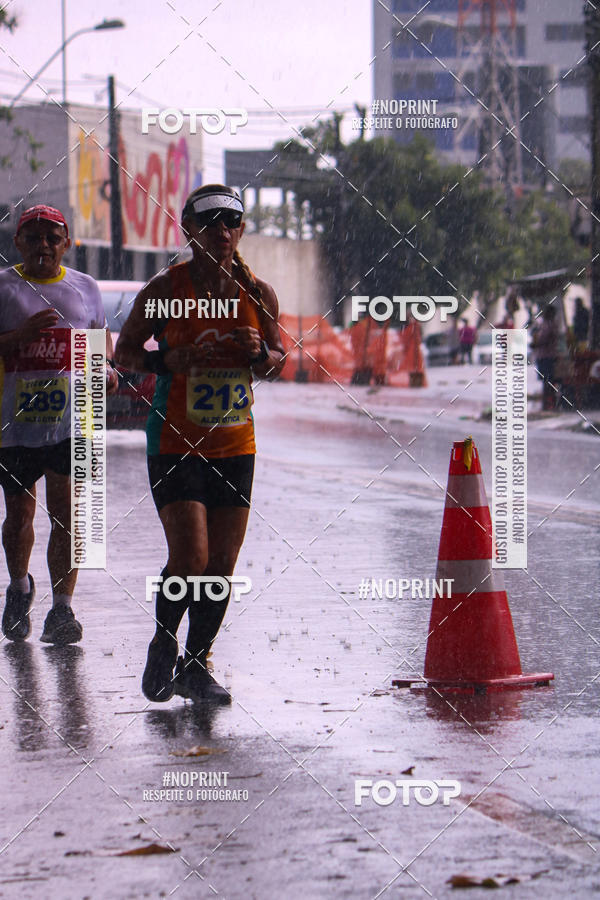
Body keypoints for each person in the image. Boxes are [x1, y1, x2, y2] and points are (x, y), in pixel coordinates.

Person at [114, 185, 285, 704]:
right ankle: (165, 641)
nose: (223, 231)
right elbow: (125, 353)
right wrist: (174, 360)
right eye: (210, 222)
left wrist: (262, 355)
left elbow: (279, 360)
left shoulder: (257, 293)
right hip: (175, 440)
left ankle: (195, 665)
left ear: (241, 230)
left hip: (236, 444)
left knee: (222, 567)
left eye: (232, 221)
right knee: (190, 556)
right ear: (189, 229)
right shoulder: (167, 289)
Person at [0, 205, 118, 644]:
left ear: (67, 243)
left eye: (53, 237)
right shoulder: (4, 288)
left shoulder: (85, 288)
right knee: (19, 516)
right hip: (13, 426)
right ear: (18, 243)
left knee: (67, 516)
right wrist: (18, 339)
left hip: (73, 422)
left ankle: (62, 611)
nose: (44, 246)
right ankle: (18, 588)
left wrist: (104, 369)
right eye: (34, 237)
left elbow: (100, 346)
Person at [531, 305, 560, 411]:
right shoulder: (551, 324)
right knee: (548, 380)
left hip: (545, 356)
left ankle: (548, 404)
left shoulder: (548, 325)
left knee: (547, 381)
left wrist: (535, 343)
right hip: (548, 355)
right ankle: (549, 403)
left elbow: (543, 339)